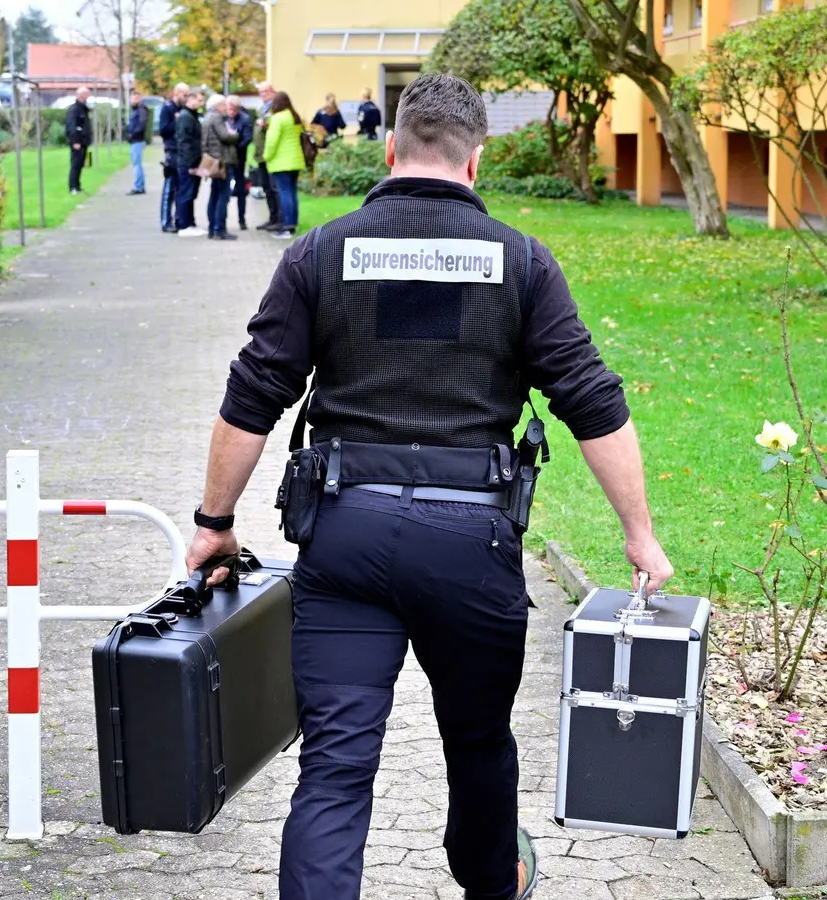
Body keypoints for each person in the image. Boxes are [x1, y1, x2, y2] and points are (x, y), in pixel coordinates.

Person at [184, 71, 671, 900]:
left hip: (344, 538)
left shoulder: (321, 250)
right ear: (476, 160)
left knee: (336, 765)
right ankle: (491, 879)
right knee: (478, 743)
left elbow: (254, 391)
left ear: (389, 149)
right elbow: (591, 398)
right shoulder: (521, 261)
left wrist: (213, 521)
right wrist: (639, 532)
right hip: (470, 544)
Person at [262, 91, 304, 239]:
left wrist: (266, 156)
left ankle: (287, 226)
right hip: (295, 160)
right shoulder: (293, 116)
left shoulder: (277, 118)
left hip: (281, 162)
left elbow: (272, 141)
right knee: (292, 193)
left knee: (284, 193)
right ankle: (293, 223)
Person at [202, 94, 241, 240]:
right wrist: (235, 134)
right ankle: (219, 229)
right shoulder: (217, 118)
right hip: (222, 161)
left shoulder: (207, 117)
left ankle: (212, 228)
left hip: (212, 160)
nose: (226, 107)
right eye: (224, 104)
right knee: (223, 196)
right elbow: (225, 136)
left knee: (214, 195)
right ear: (218, 105)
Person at [170, 88, 207, 236]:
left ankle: (189, 223)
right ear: (190, 99)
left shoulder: (190, 115)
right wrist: (191, 164)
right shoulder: (186, 117)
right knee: (186, 193)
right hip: (188, 163)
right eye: (199, 100)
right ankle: (184, 225)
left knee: (190, 194)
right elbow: (184, 142)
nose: (201, 103)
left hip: (191, 161)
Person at [253, 81, 282, 231]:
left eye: (266, 91)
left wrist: (266, 125)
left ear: (273, 92)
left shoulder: (276, 107)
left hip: (271, 156)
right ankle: (272, 218)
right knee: (267, 189)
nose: (263, 95)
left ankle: (279, 219)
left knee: (274, 188)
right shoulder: (262, 108)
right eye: (261, 92)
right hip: (261, 155)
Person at [159, 83, 188, 231]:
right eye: (184, 95)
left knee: (180, 189)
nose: (186, 98)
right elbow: (163, 130)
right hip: (172, 151)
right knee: (169, 189)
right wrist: (177, 121)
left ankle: (178, 220)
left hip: (182, 151)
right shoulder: (167, 109)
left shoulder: (183, 109)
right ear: (177, 93)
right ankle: (165, 222)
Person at [226, 97, 254, 231]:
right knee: (224, 190)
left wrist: (235, 146)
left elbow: (247, 138)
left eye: (233, 109)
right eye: (228, 109)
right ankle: (222, 220)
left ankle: (242, 219)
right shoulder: (223, 118)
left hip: (239, 159)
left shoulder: (245, 119)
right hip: (226, 159)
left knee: (241, 190)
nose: (230, 112)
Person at [65, 86, 93, 195]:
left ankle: (78, 186)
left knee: (81, 164)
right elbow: (71, 126)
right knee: (75, 164)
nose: (87, 96)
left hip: (84, 141)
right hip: (77, 142)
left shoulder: (84, 108)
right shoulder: (74, 109)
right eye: (86, 94)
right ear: (81, 95)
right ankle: (73, 187)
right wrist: (75, 141)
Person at [125, 89, 149, 195]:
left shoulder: (141, 110)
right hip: (135, 140)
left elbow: (141, 125)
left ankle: (138, 186)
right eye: (132, 98)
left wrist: (132, 134)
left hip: (137, 140)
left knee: (137, 164)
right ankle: (140, 185)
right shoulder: (136, 110)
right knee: (136, 163)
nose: (133, 100)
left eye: (135, 98)